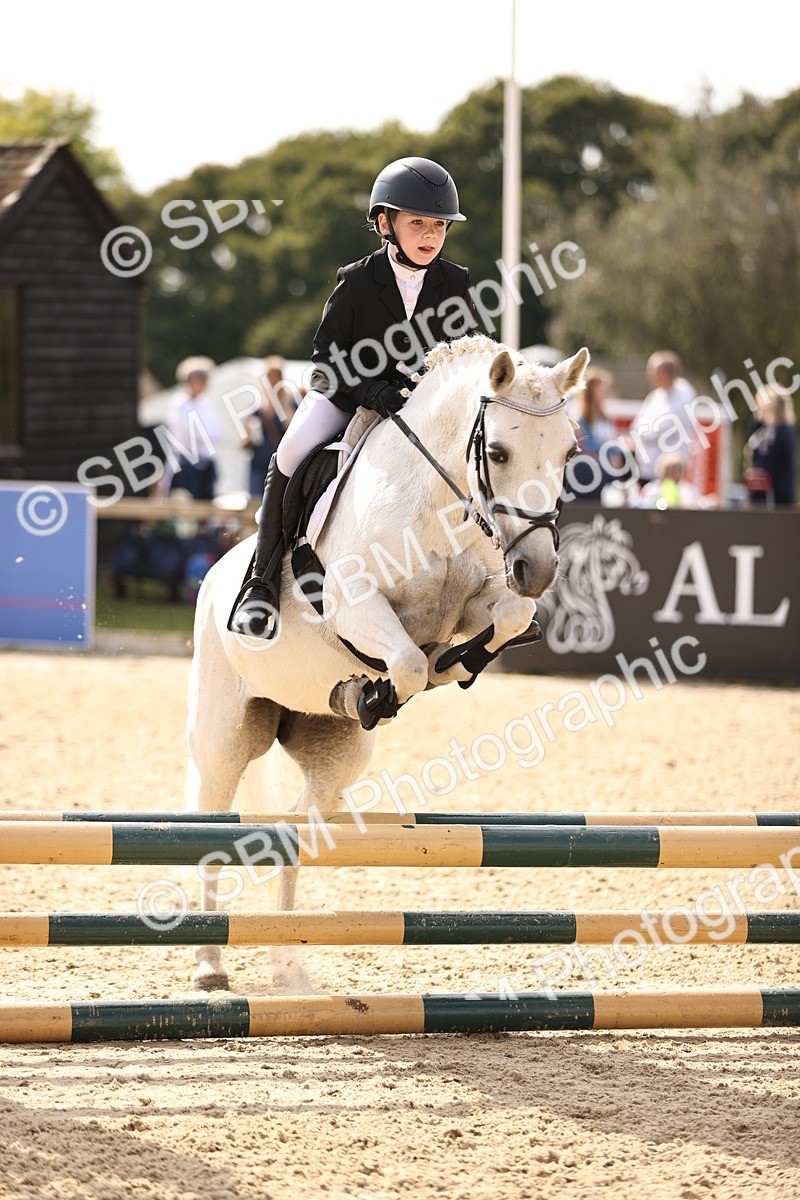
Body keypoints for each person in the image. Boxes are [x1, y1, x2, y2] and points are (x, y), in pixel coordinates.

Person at [229, 156, 479, 638]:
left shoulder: (456, 283)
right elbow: (325, 358)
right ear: (385, 223)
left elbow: (465, 357)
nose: (430, 235)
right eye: (418, 223)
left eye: (439, 226)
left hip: (419, 406)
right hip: (347, 394)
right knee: (290, 452)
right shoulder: (358, 280)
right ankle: (259, 584)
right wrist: (370, 390)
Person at [626, 350, 698, 485]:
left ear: (667, 373)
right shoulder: (655, 395)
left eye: (654, 372)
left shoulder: (684, 395)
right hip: (647, 467)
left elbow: (663, 428)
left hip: (670, 470)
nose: (651, 377)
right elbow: (637, 424)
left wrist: (640, 435)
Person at [165, 368, 225, 501]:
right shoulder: (179, 403)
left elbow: (219, 431)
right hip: (186, 462)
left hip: (206, 460)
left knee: (205, 501)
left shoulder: (206, 402)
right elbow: (186, 432)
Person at [568, 367, 624, 501]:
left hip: (608, 469)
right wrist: (609, 454)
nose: (607, 392)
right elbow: (583, 445)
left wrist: (615, 455)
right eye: (603, 389)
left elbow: (612, 440)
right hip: (590, 471)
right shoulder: (579, 416)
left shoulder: (605, 414)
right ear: (592, 390)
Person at [243, 356, 292, 497]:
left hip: (281, 467)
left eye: (275, 378)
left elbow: (292, 429)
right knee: (256, 504)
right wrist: (249, 435)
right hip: (259, 467)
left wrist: (283, 402)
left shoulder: (290, 404)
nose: (272, 383)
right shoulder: (256, 410)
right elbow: (245, 444)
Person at [744, 385, 797, 506]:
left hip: (773, 499)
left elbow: (767, 467)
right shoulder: (770, 430)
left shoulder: (779, 433)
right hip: (772, 497)